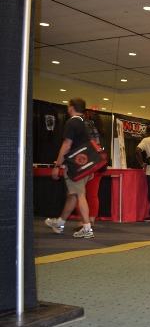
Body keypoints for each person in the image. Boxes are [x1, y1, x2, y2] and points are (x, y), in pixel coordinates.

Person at [44, 98, 95, 238]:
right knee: (72, 195)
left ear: (71, 107)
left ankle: (87, 228)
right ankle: (60, 223)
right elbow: (90, 146)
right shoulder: (86, 123)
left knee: (79, 194)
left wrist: (57, 165)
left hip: (74, 165)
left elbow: (66, 145)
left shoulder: (72, 123)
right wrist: (91, 169)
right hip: (84, 163)